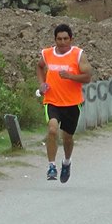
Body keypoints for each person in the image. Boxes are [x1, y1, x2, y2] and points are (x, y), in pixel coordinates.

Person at [36, 24, 93, 184]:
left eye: (65, 39)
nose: (62, 42)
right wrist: (42, 83)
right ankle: (51, 166)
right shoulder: (47, 53)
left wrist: (70, 76)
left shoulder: (78, 55)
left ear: (71, 39)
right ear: (55, 40)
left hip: (72, 103)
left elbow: (88, 77)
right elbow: (39, 67)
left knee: (67, 137)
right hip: (52, 101)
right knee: (52, 130)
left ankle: (66, 162)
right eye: (59, 39)